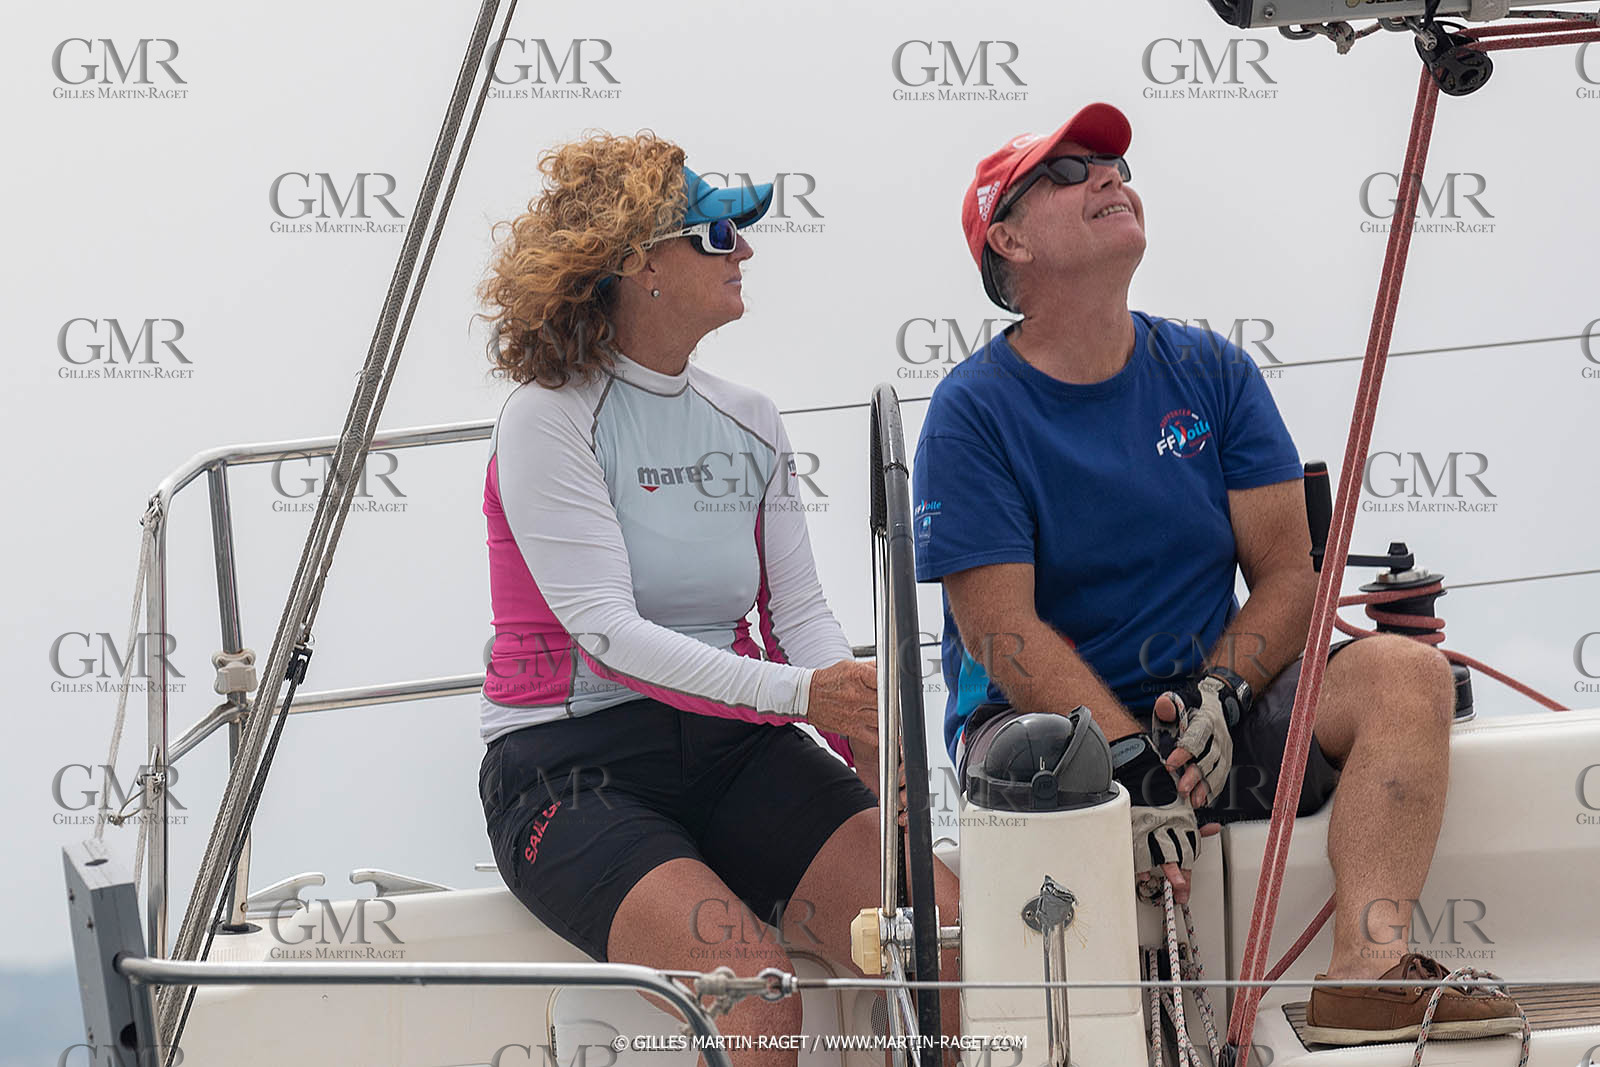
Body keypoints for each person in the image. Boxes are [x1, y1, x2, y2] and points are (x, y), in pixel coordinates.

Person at [911, 103, 1522, 1046]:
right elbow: (1004, 632)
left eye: (1114, 161)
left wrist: (1223, 694)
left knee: (1406, 672)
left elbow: (1288, 574)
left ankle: (1368, 975)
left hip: (1206, 716)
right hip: (1042, 736)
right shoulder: (971, 413)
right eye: (1070, 170)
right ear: (1009, 240)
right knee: (1050, 753)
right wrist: (1128, 762)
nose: (1110, 174)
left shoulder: (1210, 370)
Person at [475, 131, 958, 1065]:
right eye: (718, 233)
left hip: (735, 750)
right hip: (573, 769)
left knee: (939, 942)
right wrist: (803, 699)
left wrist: (863, 732)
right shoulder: (548, 417)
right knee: (758, 1001)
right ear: (635, 262)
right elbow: (609, 636)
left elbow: (803, 620)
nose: (745, 249)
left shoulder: (752, 418)